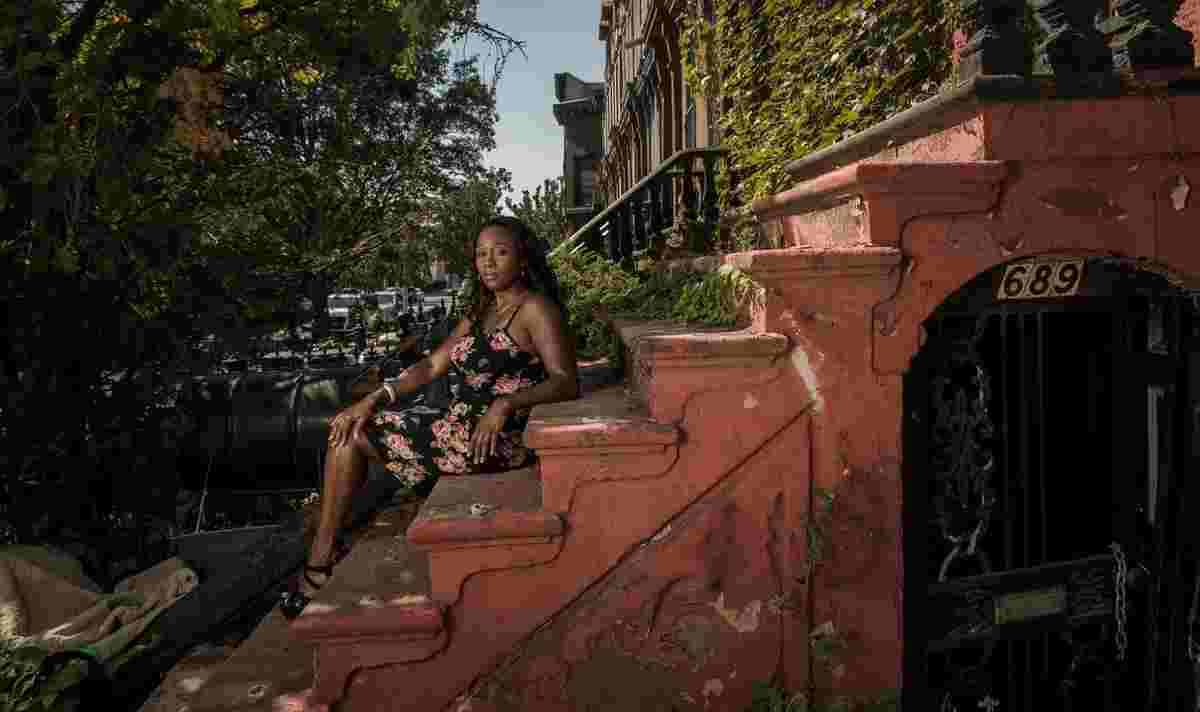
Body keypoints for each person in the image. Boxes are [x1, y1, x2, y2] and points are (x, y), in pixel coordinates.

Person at [280, 216, 579, 618]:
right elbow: (432, 365)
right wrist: (375, 398)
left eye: (500, 252)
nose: (489, 263)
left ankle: (319, 563)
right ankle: (324, 554)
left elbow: (565, 381)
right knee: (352, 424)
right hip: (454, 428)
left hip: (494, 441)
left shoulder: (535, 309)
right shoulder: (482, 310)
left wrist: (506, 404)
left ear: (522, 259)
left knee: (351, 437)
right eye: (481, 255)